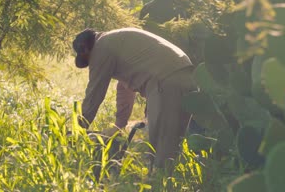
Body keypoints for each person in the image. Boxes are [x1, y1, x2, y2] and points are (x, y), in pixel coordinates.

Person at [72, 27, 197, 168]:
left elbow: (94, 92)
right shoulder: (115, 41)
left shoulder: (100, 48)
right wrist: (119, 124)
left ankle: (160, 185)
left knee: (162, 148)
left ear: (85, 49)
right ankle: (166, 182)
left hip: (166, 80)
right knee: (171, 142)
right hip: (183, 74)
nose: (91, 63)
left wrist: (78, 129)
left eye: (88, 60)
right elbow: (124, 87)